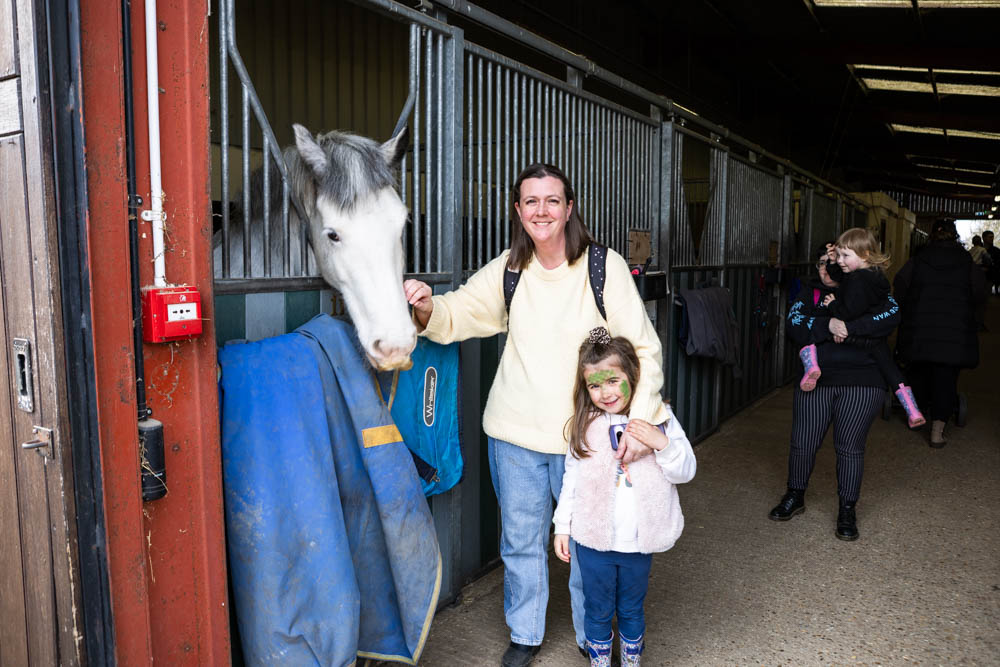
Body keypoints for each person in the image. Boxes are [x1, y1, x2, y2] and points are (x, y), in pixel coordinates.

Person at [404, 163, 668, 667]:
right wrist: (422, 306)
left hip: (586, 437)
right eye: (531, 201)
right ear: (518, 211)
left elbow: (643, 348)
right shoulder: (509, 269)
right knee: (521, 542)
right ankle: (525, 633)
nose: (541, 211)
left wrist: (643, 423)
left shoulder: (601, 266)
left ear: (570, 208)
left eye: (552, 200)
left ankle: (593, 637)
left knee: (590, 544)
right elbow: (458, 312)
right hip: (514, 432)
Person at [552, 328, 695, 667]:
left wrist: (662, 444)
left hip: (637, 542)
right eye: (595, 385)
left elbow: (686, 470)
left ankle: (631, 661)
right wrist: (562, 527)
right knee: (597, 608)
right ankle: (599, 660)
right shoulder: (585, 424)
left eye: (613, 380)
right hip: (593, 541)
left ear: (633, 376)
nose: (605, 392)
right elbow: (572, 479)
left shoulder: (660, 419)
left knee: (631, 607)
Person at [769, 240, 901, 541]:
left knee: (849, 447)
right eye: (821, 262)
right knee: (803, 442)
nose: (826, 268)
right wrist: (828, 324)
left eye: (835, 260)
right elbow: (795, 326)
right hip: (816, 378)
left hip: (863, 379)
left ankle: (847, 508)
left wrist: (851, 328)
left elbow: (891, 319)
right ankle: (795, 494)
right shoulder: (810, 293)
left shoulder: (871, 290)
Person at [797, 229, 925, 428]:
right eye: (838, 255)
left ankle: (811, 366)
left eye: (845, 256)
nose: (840, 260)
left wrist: (832, 307)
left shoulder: (857, 280)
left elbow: (848, 311)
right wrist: (834, 259)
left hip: (857, 334)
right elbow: (841, 274)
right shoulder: (873, 276)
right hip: (872, 338)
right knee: (891, 369)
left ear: (865, 255)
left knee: (815, 331)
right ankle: (912, 408)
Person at [893, 218, 985, 447]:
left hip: (920, 330)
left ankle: (917, 412)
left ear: (932, 235)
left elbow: (900, 285)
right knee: (946, 378)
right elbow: (979, 293)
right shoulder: (966, 262)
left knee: (918, 370)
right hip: (954, 332)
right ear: (954, 236)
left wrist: (907, 310)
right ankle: (937, 432)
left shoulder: (918, 259)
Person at [981, 230, 1000, 295]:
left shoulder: (997, 251)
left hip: (993, 279)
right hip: (981, 279)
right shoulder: (979, 250)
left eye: (992, 237)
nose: (992, 238)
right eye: (990, 237)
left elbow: (998, 265)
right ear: (983, 238)